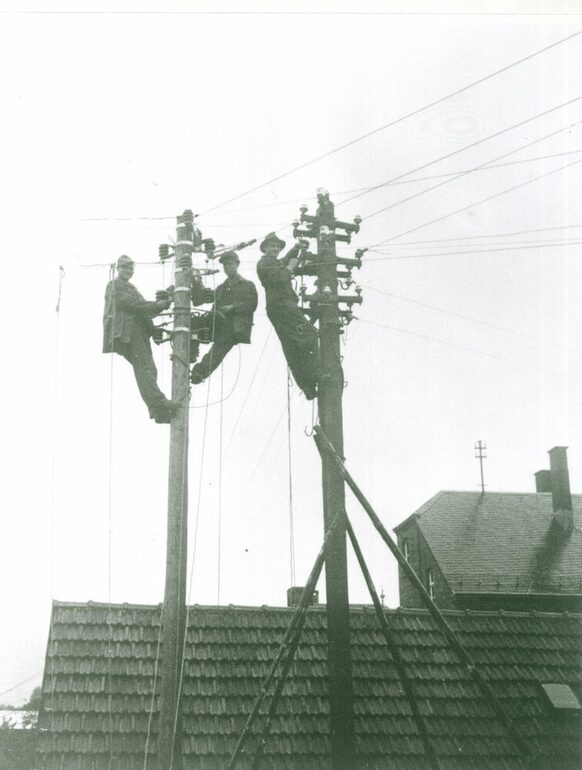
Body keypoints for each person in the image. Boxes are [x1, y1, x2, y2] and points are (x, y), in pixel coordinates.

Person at [103, 255, 179, 424]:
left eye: (130, 268)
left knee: (149, 369)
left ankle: (158, 411)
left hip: (137, 333)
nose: (128, 271)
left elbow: (144, 311)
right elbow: (132, 305)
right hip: (126, 333)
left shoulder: (132, 288)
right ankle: (158, 403)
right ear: (118, 268)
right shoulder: (115, 286)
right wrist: (158, 305)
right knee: (145, 368)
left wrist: (154, 328)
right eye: (125, 268)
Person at [256, 233, 318, 400]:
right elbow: (281, 277)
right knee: (310, 334)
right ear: (265, 248)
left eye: (277, 246)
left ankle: (308, 385)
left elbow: (284, 261)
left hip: (281, 307)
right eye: (272, 246)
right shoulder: (264, 263)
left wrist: (295, 249)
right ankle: (314, 374)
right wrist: (291, 267)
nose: (275, 248)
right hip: (282, 306)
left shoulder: (273, 262)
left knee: (292, 346)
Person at [190, 250, 258, 385]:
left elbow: (251, 304)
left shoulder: (247, 285)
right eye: (225, 265)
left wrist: (233, 307)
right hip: (218, 321)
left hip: (234, 326)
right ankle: (191, 351)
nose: (227, 268)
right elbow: (200, 299)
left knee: (218, 350)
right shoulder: (222, 288)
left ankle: (199, 372)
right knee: (195, 321)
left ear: (237, 264)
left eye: (230, 264)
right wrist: (196, 281)